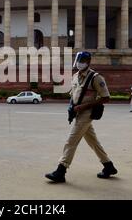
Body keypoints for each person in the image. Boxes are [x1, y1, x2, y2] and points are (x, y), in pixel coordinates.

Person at [45, 51, 118, 183]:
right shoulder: (75, 76)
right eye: (78, 60)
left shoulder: (96, 77)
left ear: (88, 62)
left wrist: (83, 107)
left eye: (83, 60)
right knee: (93, 142)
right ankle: (109, 166)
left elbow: (106, 98)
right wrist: (71, 109)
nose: (79, 63)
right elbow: (73, 95)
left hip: (87, 113)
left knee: (71, 141)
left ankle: (61, 171)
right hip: (78, 112)